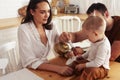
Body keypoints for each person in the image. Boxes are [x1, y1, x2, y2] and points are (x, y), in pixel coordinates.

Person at [18, 0, 73, 76]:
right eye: (42, 12)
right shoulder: (24, 29)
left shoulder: (51, 25)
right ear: (32, 12)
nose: (47, 15)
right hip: (27, 71)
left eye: (48, 11)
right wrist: (58, 68)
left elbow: (59, 45)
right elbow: (29, 61)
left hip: (44, 67)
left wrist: (66, 46)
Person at [70, 16, 111, 80]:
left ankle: (81, 76)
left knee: (91, 71)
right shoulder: (95, 40)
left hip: (101, 67)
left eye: (87, 36)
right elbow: (90, 51)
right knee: (76, 63)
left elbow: (97, 63)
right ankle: (76, 72)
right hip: (91, 61)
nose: (87, 38)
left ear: (95, 34)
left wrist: (84, 65)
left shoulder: (103, 46)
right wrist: (82, 56)